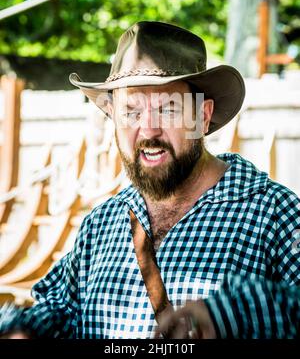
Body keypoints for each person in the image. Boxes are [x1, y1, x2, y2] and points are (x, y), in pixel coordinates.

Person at [0, 21, 299, 338]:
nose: (149, 130)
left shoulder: (274, 214)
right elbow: (55, 311)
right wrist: (22, 329)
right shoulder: (101, 226)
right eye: (131, 112)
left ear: (202, 116)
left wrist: (234, 313)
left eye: (168, 109)